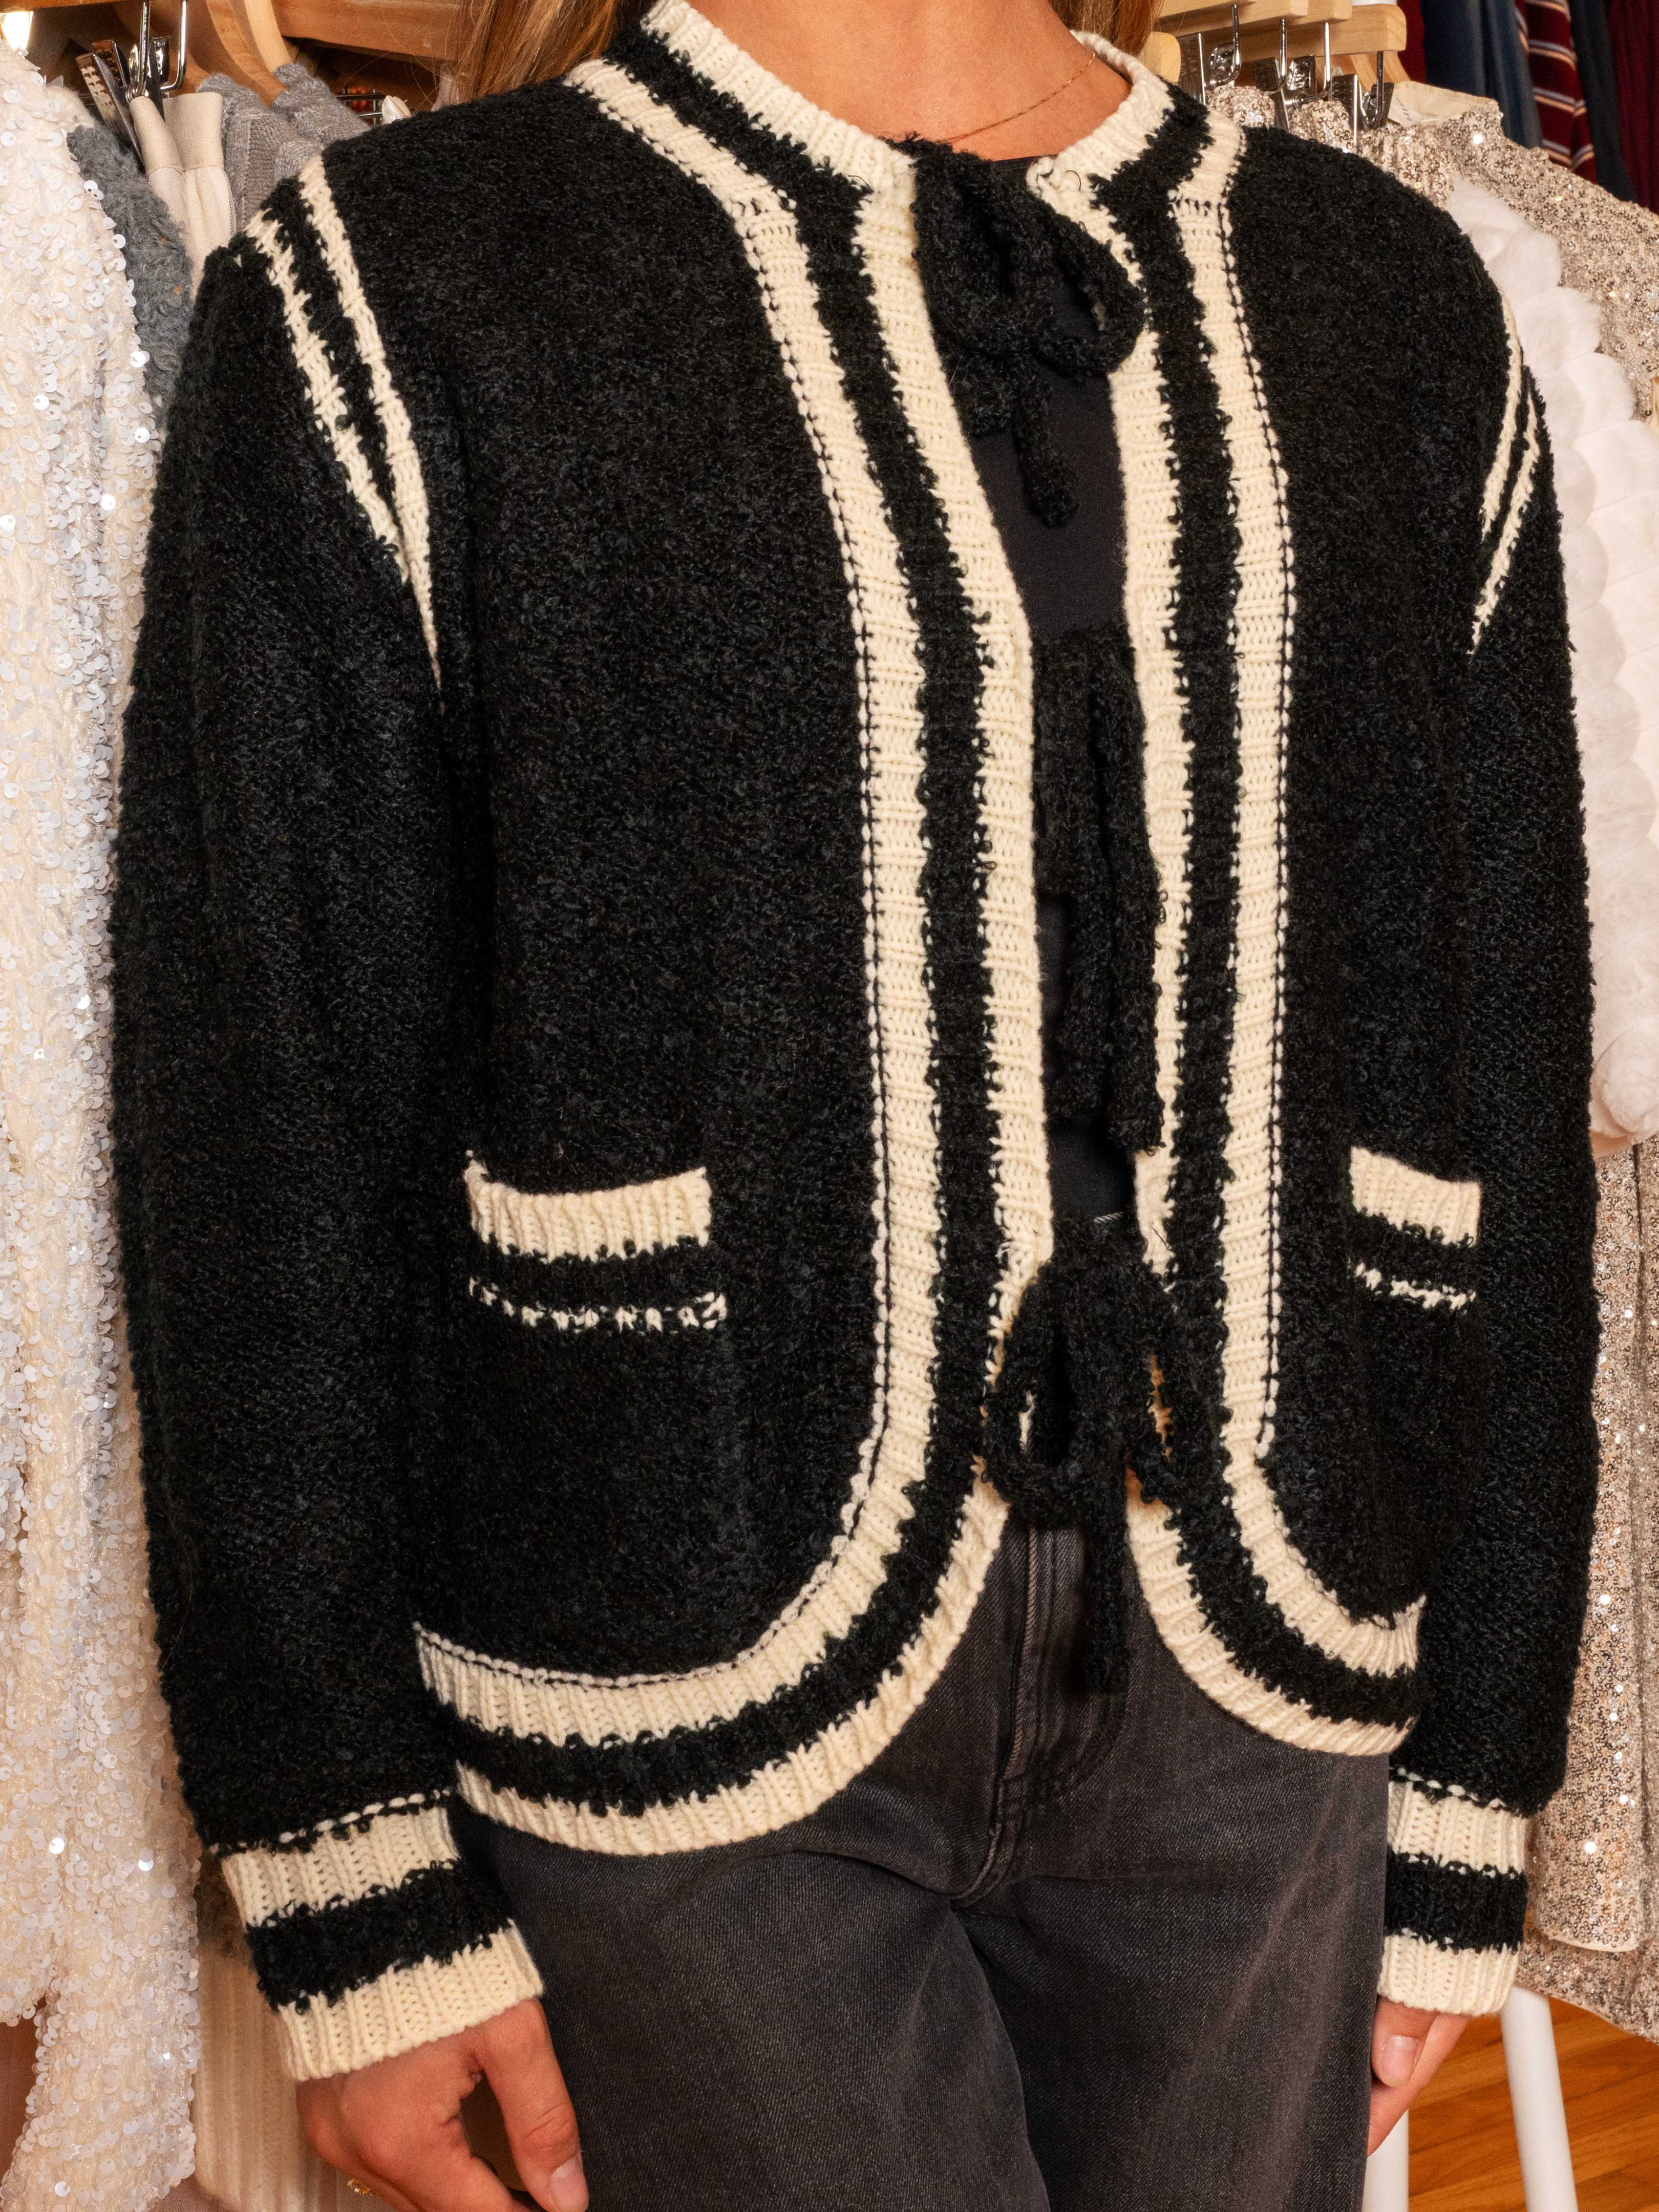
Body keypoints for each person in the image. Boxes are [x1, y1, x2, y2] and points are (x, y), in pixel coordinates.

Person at [109, 0, 1600, 2206]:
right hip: (669, 1629)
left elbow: (1495, 1067)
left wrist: (1478, 1762)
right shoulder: (400, 283)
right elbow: (262, 1112)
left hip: (1270, 1668)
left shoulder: (1386, 297)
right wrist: (343, 1851)